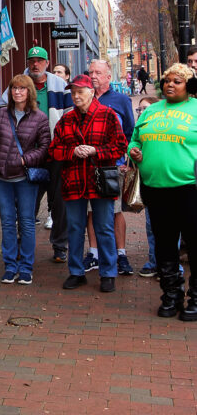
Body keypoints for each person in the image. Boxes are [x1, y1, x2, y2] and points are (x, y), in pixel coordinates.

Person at [128, 63, 197, 320]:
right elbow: (135, 139)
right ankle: (171, 295)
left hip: (190, 188)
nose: (170, 84)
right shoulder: (152, 110)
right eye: (167, 80)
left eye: (177, 81)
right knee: (165, 245)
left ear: (188, 86)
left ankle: (196, 299)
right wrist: (132, 150)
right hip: (155, 189)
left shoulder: (196, 109)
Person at [48, 74, 128, 292]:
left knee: (104, 227)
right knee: (74, 228)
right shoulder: (66, 120)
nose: (75, 96)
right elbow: (54, 150)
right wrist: (72, 151)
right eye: (72, 92)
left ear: (91, 92)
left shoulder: (108, 115)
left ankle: (108, 272)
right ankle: (76, 272)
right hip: (73, 180)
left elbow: (120, 146)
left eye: (80, 92)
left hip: (100, 180)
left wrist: (96, 150)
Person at [0, 47, 72, 260]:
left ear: (47, 63)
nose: (35, 64)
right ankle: (23, 244)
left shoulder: (59, 85)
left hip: (56, 153)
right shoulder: (18, 84)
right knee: (26, 203)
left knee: (60, 203)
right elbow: (4, 112)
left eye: (40, 60)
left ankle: (60, 247)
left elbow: (69, 116)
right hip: (29, 156)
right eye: (32, 60)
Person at [0, 75, 50, 284]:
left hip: (24, 178)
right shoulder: (1, 114)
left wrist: (24, 160)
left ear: (29, 91)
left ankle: (26, 268)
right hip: (2, 178)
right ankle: (10, 266)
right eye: (14, 88)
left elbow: (45, 147)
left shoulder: (40, 118)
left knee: (27, 223)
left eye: (22, 88)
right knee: (7, 223)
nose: (17, 92)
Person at [83, 60, 135, 276]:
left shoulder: (121, 100)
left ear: (108, 77)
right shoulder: (83, 97)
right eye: (91, 72)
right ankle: (94, 253)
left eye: (98, 72)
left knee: (115, 211)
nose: (93, 76)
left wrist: (125, 161)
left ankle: (120, 253)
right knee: (90, 211)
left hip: (113, 165)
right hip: (86, 165)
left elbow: (131, 132)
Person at [135, 96, 158, 277]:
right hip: (149, 184)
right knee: (151, 225)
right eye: (140, 110)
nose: (142, 112)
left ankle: (172, 266)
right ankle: (154, 261)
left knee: (173, 227)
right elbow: (132, 143)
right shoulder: (141, 130)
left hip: (173, 183)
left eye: (146, 109)